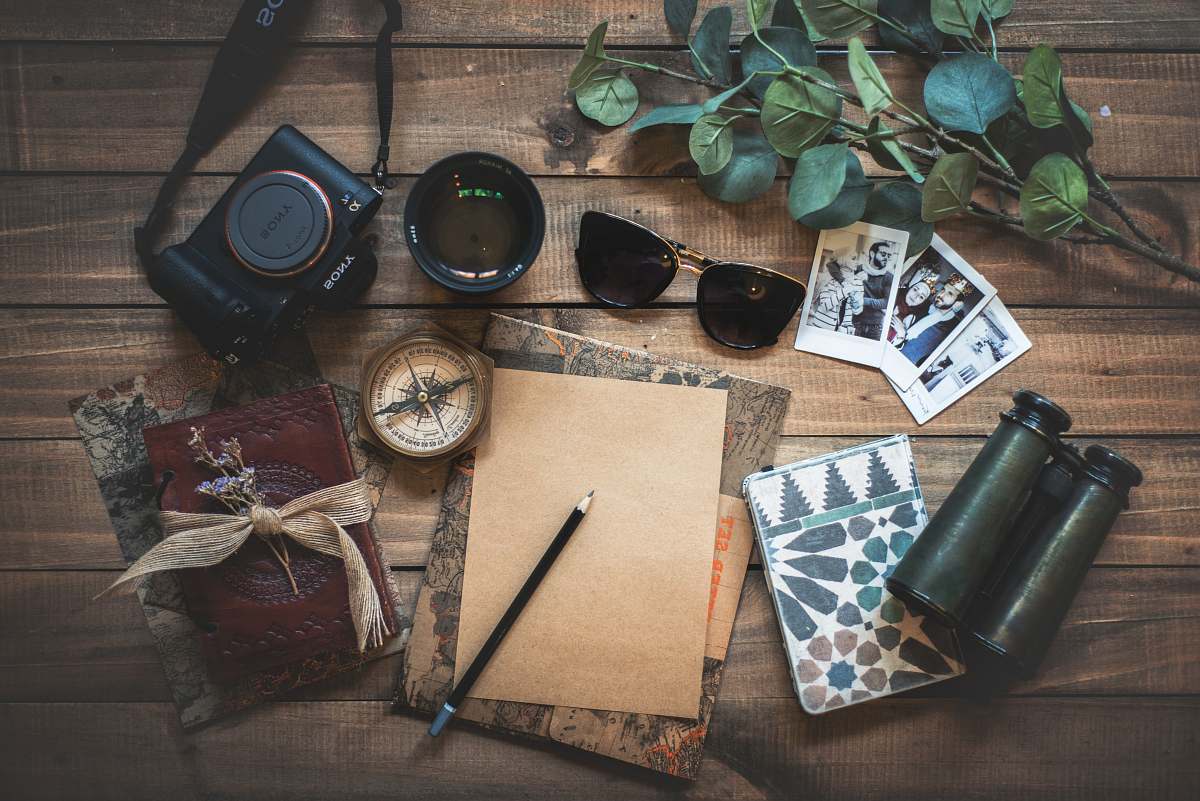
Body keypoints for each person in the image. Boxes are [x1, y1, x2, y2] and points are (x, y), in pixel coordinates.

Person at [899, 274, 973, 364]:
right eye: (943, 290)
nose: (941, 295)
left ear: (958, 303)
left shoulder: (947, 330)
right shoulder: (926, 305)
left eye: (950, 294)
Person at [808, 251, 864, 334]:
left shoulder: (858, 282)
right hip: (822, 328)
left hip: (844, 331)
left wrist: (856, 304)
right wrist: (845, 290)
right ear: (842, 260)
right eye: (853, 258)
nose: (857, 262)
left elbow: (857, 311)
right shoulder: (828, 279)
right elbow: (825, 306)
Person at [852, 240, 898, 340]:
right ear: (872, 254)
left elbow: (887, 302)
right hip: (854, 320)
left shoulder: (889, 277)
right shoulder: (858, 269)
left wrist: (863, 300)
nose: (886, 257)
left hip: (875, 326)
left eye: (888, 256)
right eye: (883, 254)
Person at [888, 273, 935, 347]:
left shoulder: (914, 319)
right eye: (915, 289)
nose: (916, 296)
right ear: (910, 288)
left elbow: (898, 347)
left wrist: (901, 333)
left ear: (922, 302)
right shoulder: (891, 295)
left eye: (921, 297)